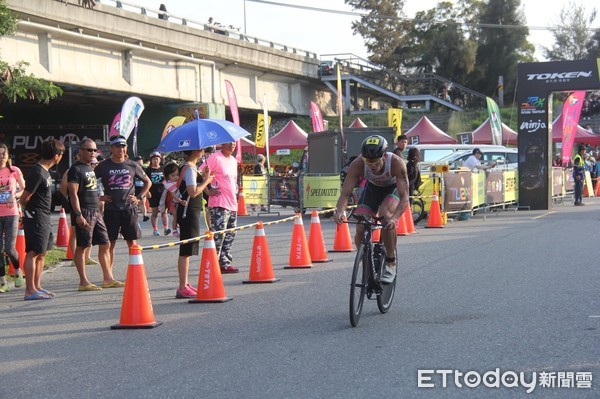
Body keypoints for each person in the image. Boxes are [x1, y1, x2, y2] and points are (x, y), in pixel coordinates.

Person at [333, 135, 409, 284]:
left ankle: (390, 261)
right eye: (369, 161)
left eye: (375, 161)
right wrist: (340, 211)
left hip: (392, 189)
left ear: (384, 156)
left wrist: (395, 219)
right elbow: (345, 193)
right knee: (361, 224)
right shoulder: (358, 164)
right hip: (373, 188)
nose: (372, 165)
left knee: (385, 216)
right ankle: (365, 259)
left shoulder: (396, 163)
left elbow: (405, 197)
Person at [68, 138, 124, 291]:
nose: (93, 152)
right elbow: (72, 193)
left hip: (96, 211)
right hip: (84, 211)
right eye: (89, 150)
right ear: (81, 152)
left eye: (94, 150)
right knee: (82, 246)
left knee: (105, 243)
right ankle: (83, 282)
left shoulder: (90, 168)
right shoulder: (76, 169)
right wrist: (78, 214)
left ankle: (108, 278)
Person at [94, 135, 151, 270]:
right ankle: (109, 275)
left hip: (129, 208)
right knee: (109, 243)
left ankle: (136, 272)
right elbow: (88, 183)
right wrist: (99, 197)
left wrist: (139, 197)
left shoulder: (132, 164)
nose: (121, 149)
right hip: (111, 209)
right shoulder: (103, 166)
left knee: (132, 242)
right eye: (118, 146)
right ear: (111, 148)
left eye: (123, 146)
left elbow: (148, 182)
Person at [20, 139, 65, 300]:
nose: (61, 157)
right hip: (35, 215)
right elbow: (25, 197)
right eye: (61, 154)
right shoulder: (37, 172)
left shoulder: (46, 172)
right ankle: (29, 290)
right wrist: (28, 212)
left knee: (42, 252)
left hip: (45, 215)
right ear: (56, 155)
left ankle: (37, 286)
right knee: (33, 251)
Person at [175, 149, 214, 298]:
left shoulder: (192, 167)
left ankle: (185, 283)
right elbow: (192, 192)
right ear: (196, 151)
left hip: (192, 211)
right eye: (202, 149)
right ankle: (182, 286)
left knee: (189, 249)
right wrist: (206, 181)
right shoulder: (190, 168)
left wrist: (204, 177)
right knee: (186, 249)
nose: (203, 152)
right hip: (188, 212)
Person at [204, 142, 239, 274]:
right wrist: (207, 191)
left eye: (234, 142)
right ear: (223, 143)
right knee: (219, 235)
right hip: (219, 203)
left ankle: (224, 262)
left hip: (232, 203)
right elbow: (201, 173)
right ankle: (213, 263)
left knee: (230, 234)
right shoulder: (214, 158)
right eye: (229, 142)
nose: (232, 145)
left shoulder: (234, 160)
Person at [0, 144, 25, 293]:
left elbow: (24, 189)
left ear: (8, 155)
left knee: (9, 248)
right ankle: (2, 281)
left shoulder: (14, 171)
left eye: (3, 154)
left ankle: (17, 270)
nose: (1, 157)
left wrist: (13, 195)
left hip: (11, 213)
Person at [159, 162, 187, 238]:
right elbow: (173, 195)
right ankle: (174, 230)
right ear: (167, 177)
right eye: (173, 175)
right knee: (176, 216)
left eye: (177, 175)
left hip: (179, 201)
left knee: (180, 216)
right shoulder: (168, 184)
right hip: (173, 203)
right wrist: (180, 201)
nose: (176, 177)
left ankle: (178, 228)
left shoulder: (180, 180)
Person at [145, 151, 169, 236]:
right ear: (151, 160)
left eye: (157, 159)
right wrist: (147, 191)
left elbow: (168, 179)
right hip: (153, 193)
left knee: (164, 212)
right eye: (154, 159)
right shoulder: (148, 170)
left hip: (163, 192)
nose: (156, 160)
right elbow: (145, 181)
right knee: (154, 213)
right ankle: (155, 229)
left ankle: (166, 228)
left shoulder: (163, 169)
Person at [133, 156, 149, 222]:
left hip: (142, 187)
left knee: (143, 202)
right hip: (135, 188)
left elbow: (148, 181)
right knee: (135, 202)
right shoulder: (133, 169)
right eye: (139, 160)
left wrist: (148, 191)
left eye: (141, 160)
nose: (140, 161)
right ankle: (134, 215)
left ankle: (144, 215)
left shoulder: (144, 169)